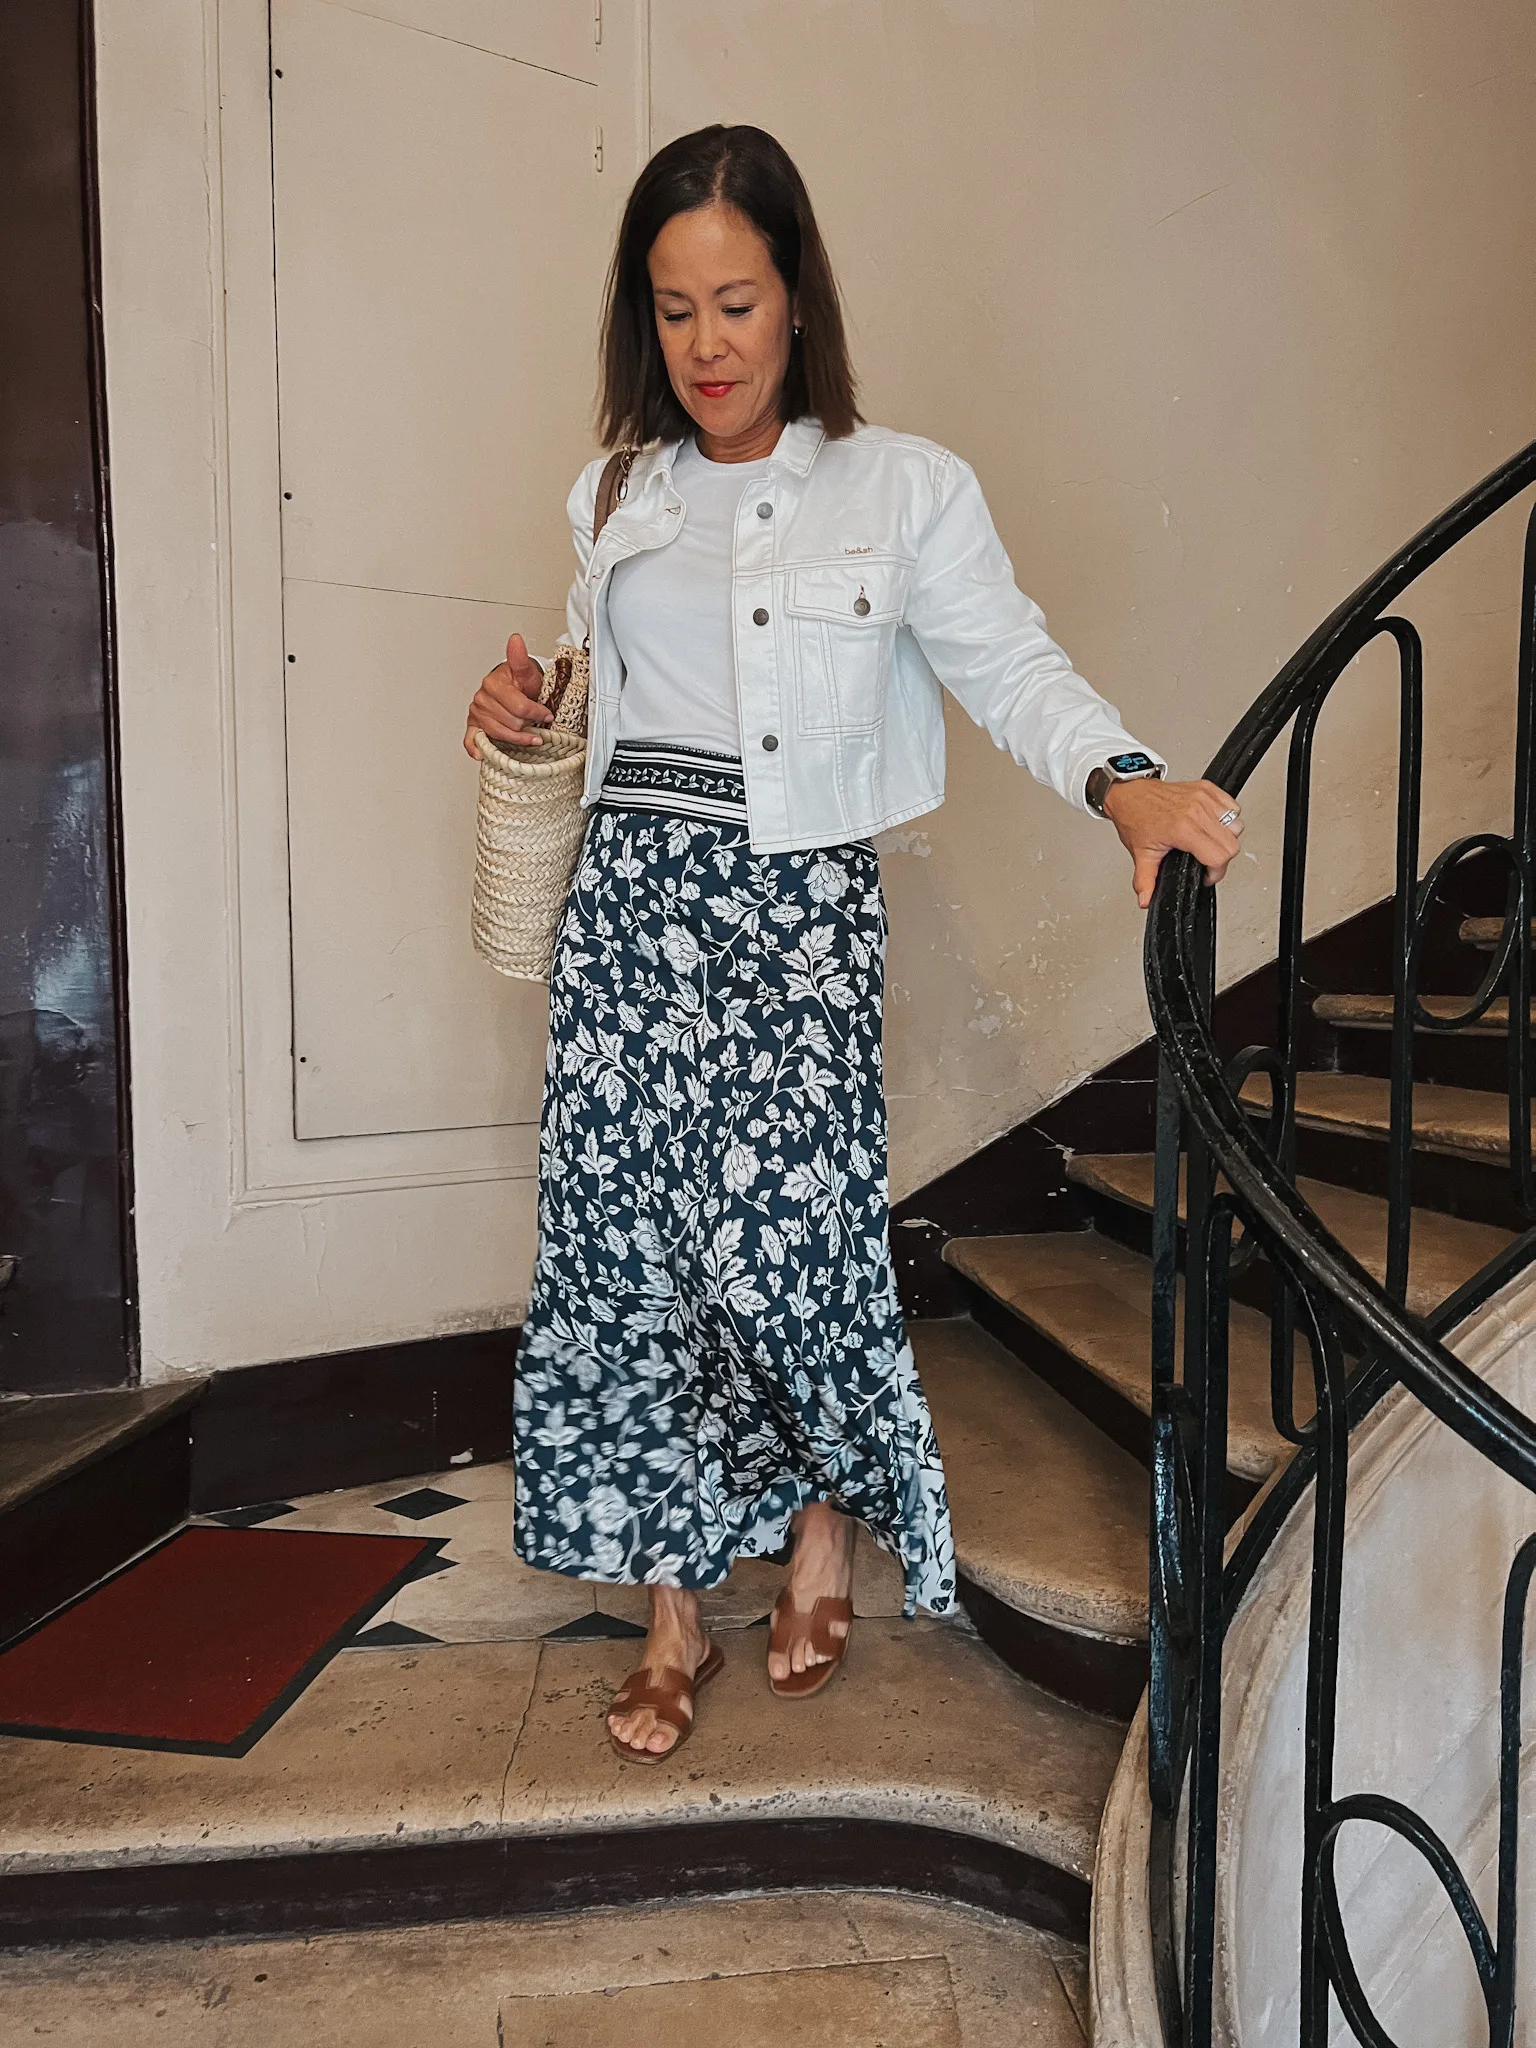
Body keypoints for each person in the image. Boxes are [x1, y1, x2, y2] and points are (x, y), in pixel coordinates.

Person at [465, 125, 1241, 1765]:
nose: (708, 346)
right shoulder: (615, 493)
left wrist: (1124, 782)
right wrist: (523, 699)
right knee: (635, 1260)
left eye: (737, 303)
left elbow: (1006, 660)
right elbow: (595, 675)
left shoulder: (904, 489)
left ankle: (823, 1524)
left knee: (791, 1249)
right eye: (674, 310)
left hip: (797, 915)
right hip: (631, 913)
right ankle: (675, 1608)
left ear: (798, 297)